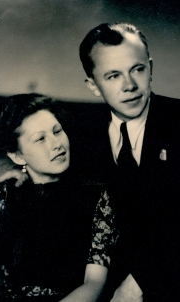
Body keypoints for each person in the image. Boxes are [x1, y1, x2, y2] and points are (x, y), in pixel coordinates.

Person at [0, 93, 118, 301]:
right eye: (40, 138)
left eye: (57, 131)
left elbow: (94, 283)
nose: (56, 144)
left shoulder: (96, 197)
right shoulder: (3, 196)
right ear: (17, 155)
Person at [79, 23, 180, 301]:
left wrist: (140, 282)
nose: (129, 85)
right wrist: (17, 172)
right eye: (113, 76)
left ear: (150, 68)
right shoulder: (81, 137)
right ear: (93, 86)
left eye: (137, 69)